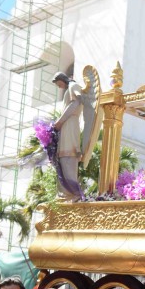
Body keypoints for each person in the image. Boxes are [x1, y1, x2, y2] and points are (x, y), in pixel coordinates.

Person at [52, 71, 83, 200]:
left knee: (68, 156)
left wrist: (60, 121)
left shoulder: (73, 86)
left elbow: (76, 103)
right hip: (66, 126)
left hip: (70, 125)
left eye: (58, 83)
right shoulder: (69, 88)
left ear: (61, 79)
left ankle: (74, 193)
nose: (59, 86)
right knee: (63, 157)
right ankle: (68, 193)